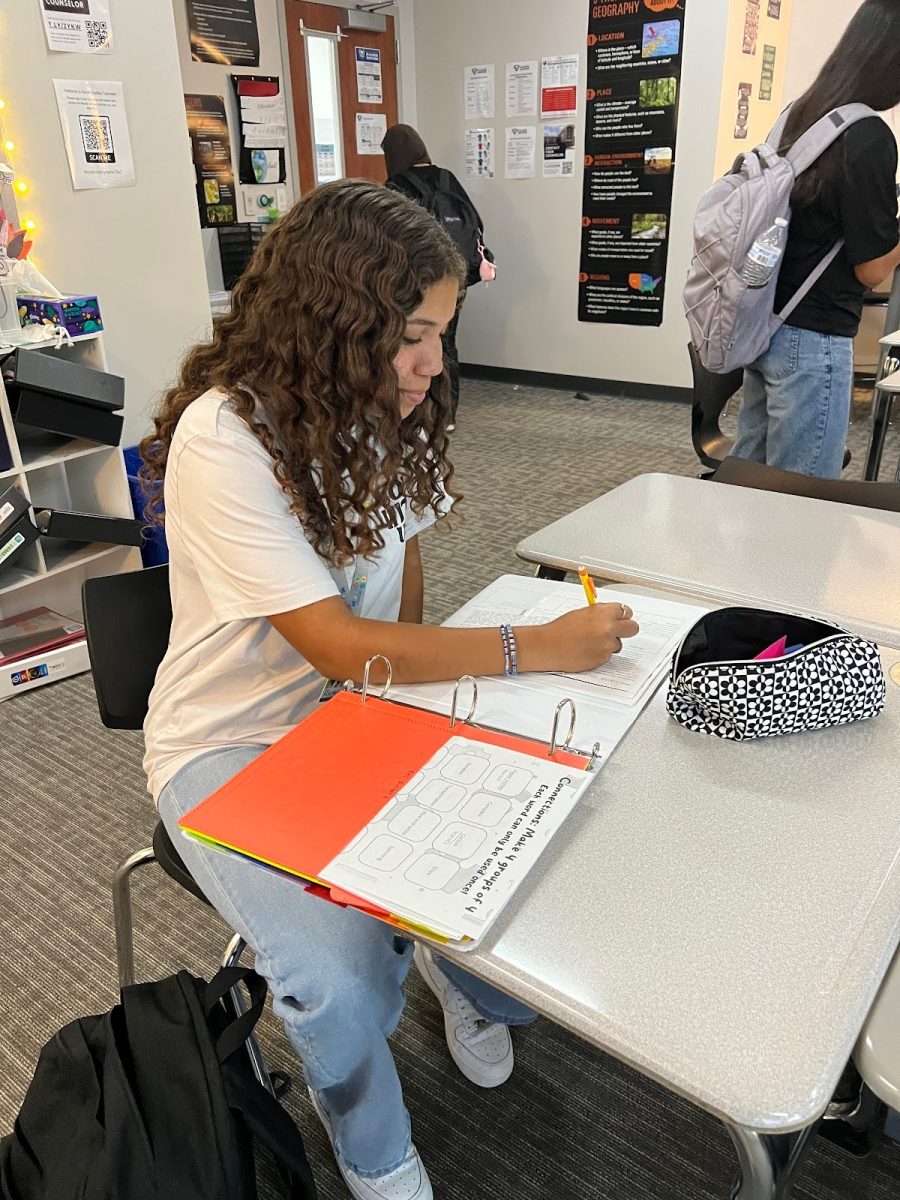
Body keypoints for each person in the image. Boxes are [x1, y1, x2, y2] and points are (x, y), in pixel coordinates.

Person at [139, 180, 638, 1200]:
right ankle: (376, 1155)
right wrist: (528, 648)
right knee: (341, 981)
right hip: (227, 743)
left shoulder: (377, 405)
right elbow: (332, 642)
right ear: (333, 324)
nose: (432, 365)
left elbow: (396, 574)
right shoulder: (224, 438)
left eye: (443, 334)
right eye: (412, 334)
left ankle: (455, 974)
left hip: (353, 696)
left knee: (529, 825)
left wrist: (412, 699)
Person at [731, 0, 900, 479]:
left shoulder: (798, 116)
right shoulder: (868, 136)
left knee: (751, 483)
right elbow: (872, 269)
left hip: (766, 321)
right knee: (802, 502)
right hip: (816, 339)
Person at [382, 123, 492, 429]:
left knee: (414, 340)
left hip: (416, 280)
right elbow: (475, 222)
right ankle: (447, 414)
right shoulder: (447, 178)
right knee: (445, 341)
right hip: (455, 276)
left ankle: (419, 413)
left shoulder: (397, 186)